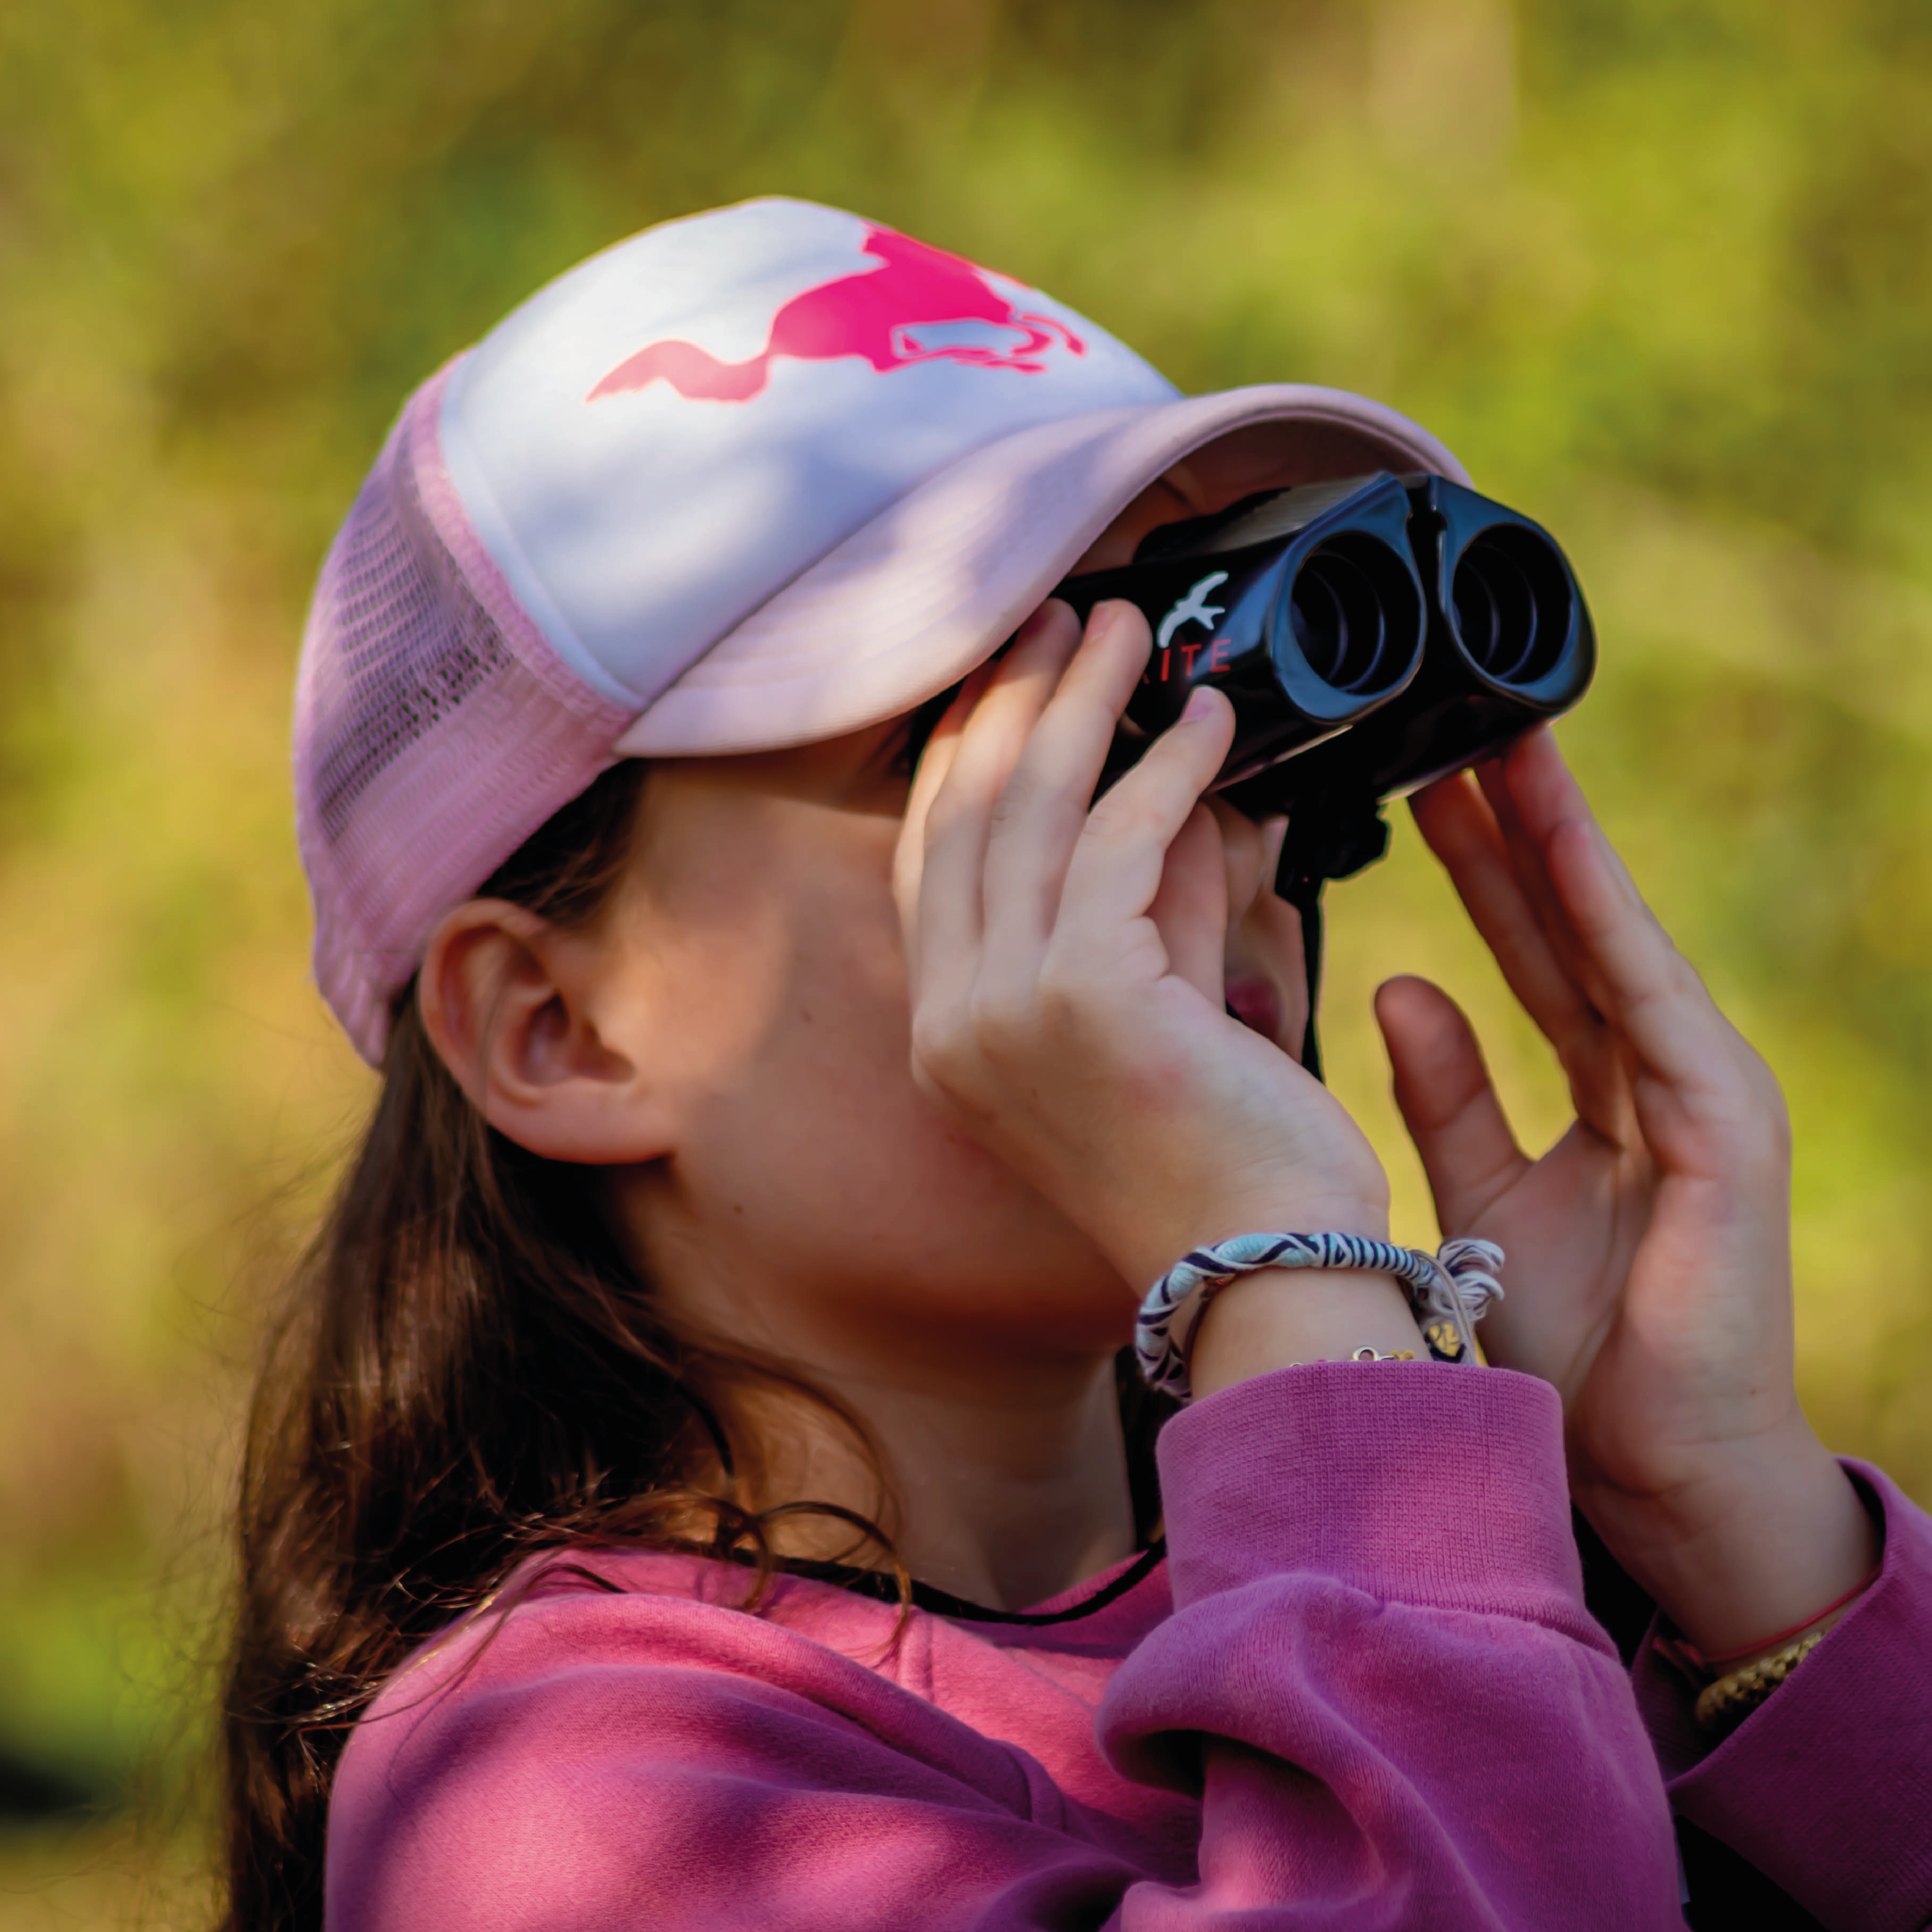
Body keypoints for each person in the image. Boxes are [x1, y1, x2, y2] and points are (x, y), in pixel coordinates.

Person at [223, 198, 1932, 1932]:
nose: (1211, 844)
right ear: (556, 1027)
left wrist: (1733, 1535)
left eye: (1231, 741)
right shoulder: (569, 1804)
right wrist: (1299, 1284)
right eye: (1010, 747)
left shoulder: (1473, 1606)